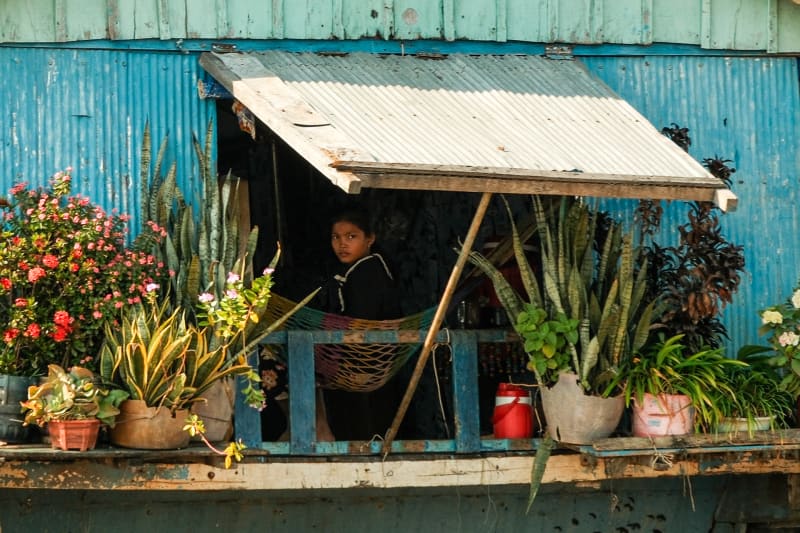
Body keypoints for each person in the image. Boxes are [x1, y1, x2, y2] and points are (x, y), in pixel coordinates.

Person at [317, 209, 404, 441]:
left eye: (351, 236)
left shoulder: (368, 271)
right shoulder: (356, 271)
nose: (342, 244)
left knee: (364, 431)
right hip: (363, 369)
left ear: (370, 239)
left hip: (367, 366)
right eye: (336, 237)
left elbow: (361, 320)